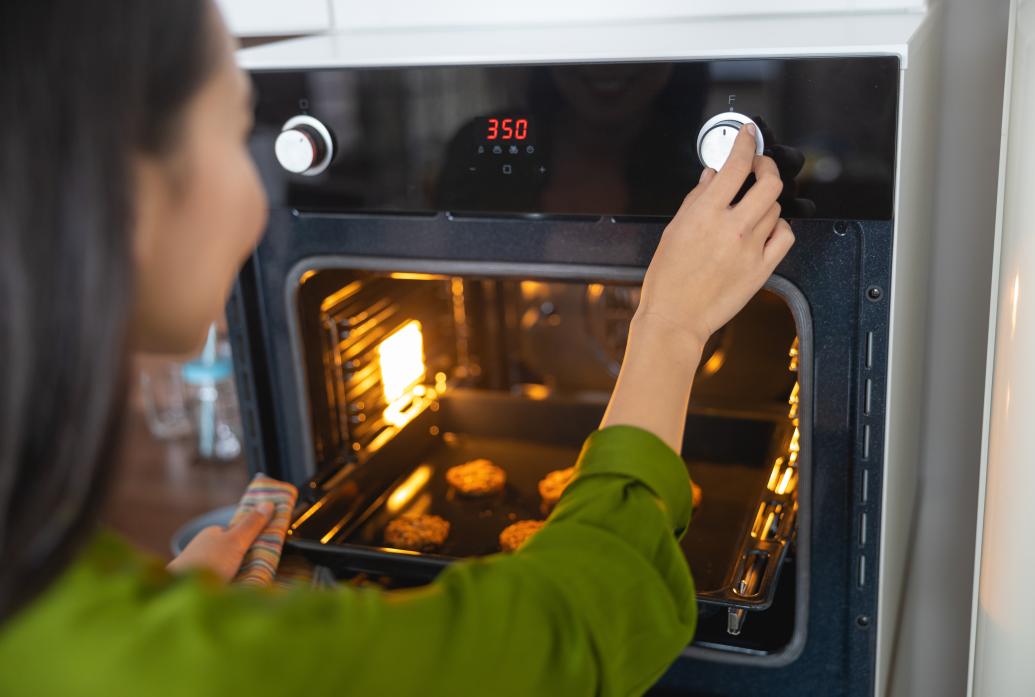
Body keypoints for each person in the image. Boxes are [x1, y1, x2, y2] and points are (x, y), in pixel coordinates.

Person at [0, 2, 793, 695]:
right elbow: (580, 625)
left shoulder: (70, 606)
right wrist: (670, 324)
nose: (259, 193)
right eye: (239, 129)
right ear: (128, 195)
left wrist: (171, 607)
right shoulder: (201, 665)